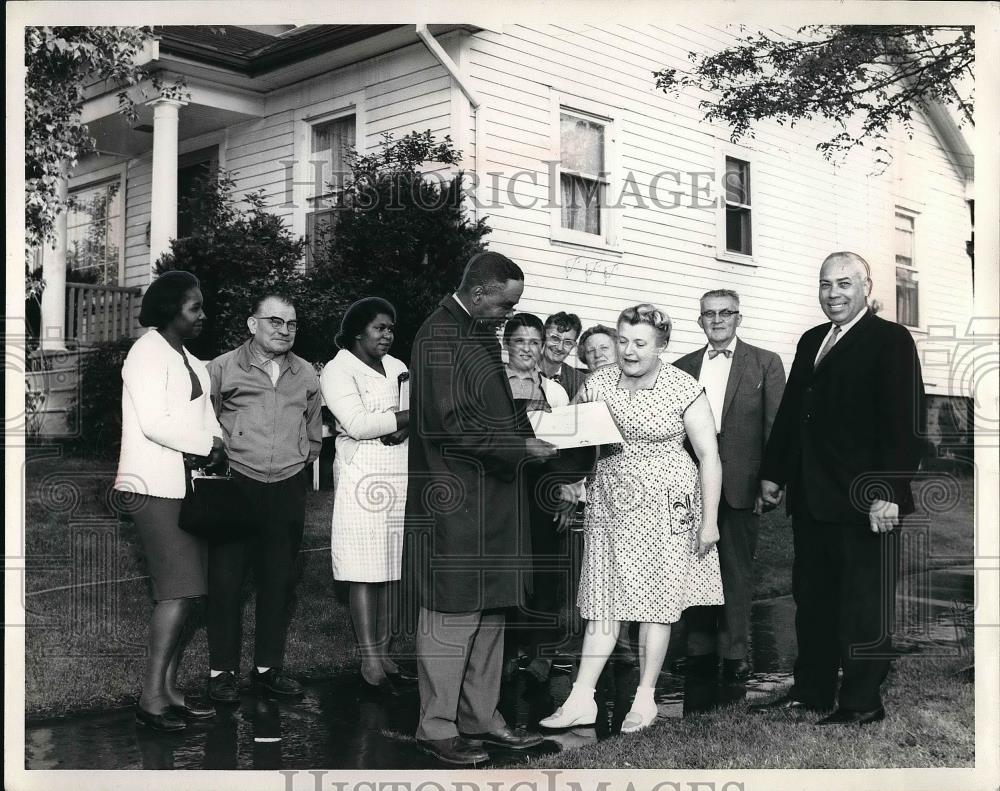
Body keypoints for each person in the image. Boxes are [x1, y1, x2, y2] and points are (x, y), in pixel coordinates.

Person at [751, 252, 924, 725]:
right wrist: (774, 473)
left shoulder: (889, 340)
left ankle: (862, 702)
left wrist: (890, 491)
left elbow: (904, 422)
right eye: (826, 284)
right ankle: (812, 692)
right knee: (815, 602)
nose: (834, 294)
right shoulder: (812, 340)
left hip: (866, 501)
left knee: (862, 606)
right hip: (812, 499)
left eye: (845, 284)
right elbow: (791, 416)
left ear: (866, 287)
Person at [402, 252, 558, 765]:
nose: (509, 314)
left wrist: (535, 433)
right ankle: (437, 726)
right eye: (506, 303)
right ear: (480, 291)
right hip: (455, 499)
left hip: (492, 499)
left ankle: (481, 717)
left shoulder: (475, 331)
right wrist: (520, 448)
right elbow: (447, 423)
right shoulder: (438, 336)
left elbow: (485, 410)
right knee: (451, 613)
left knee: (491, 612)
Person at [540, 303, 724, 734]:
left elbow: (709, 457)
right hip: (611, 503)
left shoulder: (684, 388)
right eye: (622, 341)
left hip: (666, 506)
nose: (629, 351)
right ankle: (581, 698)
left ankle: (644, 699)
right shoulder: (598, 382)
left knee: (656, 606)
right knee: (604, 600)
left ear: (662, 345)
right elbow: (575, 436)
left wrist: (709, 520)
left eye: (640, 343)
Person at [114, 270, 223, 731]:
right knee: (177, 591)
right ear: (169, 309)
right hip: (151, 486)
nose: (202, 315)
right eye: (194, 307)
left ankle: (170, 689)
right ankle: (150, 696)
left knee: (191, 592)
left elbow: (211, 420)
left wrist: (216, 440)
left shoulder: (193, 362)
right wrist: (208, 443)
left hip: (190, 489)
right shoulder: (146, 352)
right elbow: (156, 422)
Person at [205, 293, 323, 702]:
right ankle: (221, 673)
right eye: (275, 322)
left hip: (286, 486)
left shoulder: (306, 373)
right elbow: (206, 421)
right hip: (236, 483)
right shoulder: (221, 368)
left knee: (279, 581)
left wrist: (299, 460)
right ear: (252, 324)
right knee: (226, 581)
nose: (284, 331)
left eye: (291, 324)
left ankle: (268, 669)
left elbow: (313, 430)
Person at [674, 289, 785, 681]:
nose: (717, 320)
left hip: (741, 481)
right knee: (693, 566)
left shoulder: (765, 362)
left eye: (725, 313)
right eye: (709, 314)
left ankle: (736, 652)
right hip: (690, 482)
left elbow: (775, 427)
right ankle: (698, 650)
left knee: (735, 570)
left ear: (739, 317)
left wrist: (770, 480)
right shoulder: (683, 366)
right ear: (699, 320)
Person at [321, 297, 411, 694]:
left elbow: (405, 419)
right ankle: (368, 659)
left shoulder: (399, 367)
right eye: (379, 328)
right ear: (358, 330)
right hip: (361, 473)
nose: (387, 335)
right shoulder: (339, 369)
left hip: (399, 470)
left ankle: (386, 651)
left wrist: (403, 423)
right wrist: (407, 418)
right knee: (363, 567)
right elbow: (357, 424)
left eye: (391, 328)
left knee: (392, 565)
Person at [501, 313, 572, 686]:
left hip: (545, 490)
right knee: (511, 575)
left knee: (547, 573)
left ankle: (543, 655)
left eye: (534, 342)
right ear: (506, 345)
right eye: (519, 342)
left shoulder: (555, 392)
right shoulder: (493, 386)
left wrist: (566, 494)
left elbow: (568, 450)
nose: (528, 349)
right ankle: (510, 652)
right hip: (505, 491)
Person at [539, 311, 585, 398]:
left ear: (574, 346)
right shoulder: (524, 369)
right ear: (543, 337)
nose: (560, 348)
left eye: (568, 342)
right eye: (555, 338)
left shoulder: (579, 381)